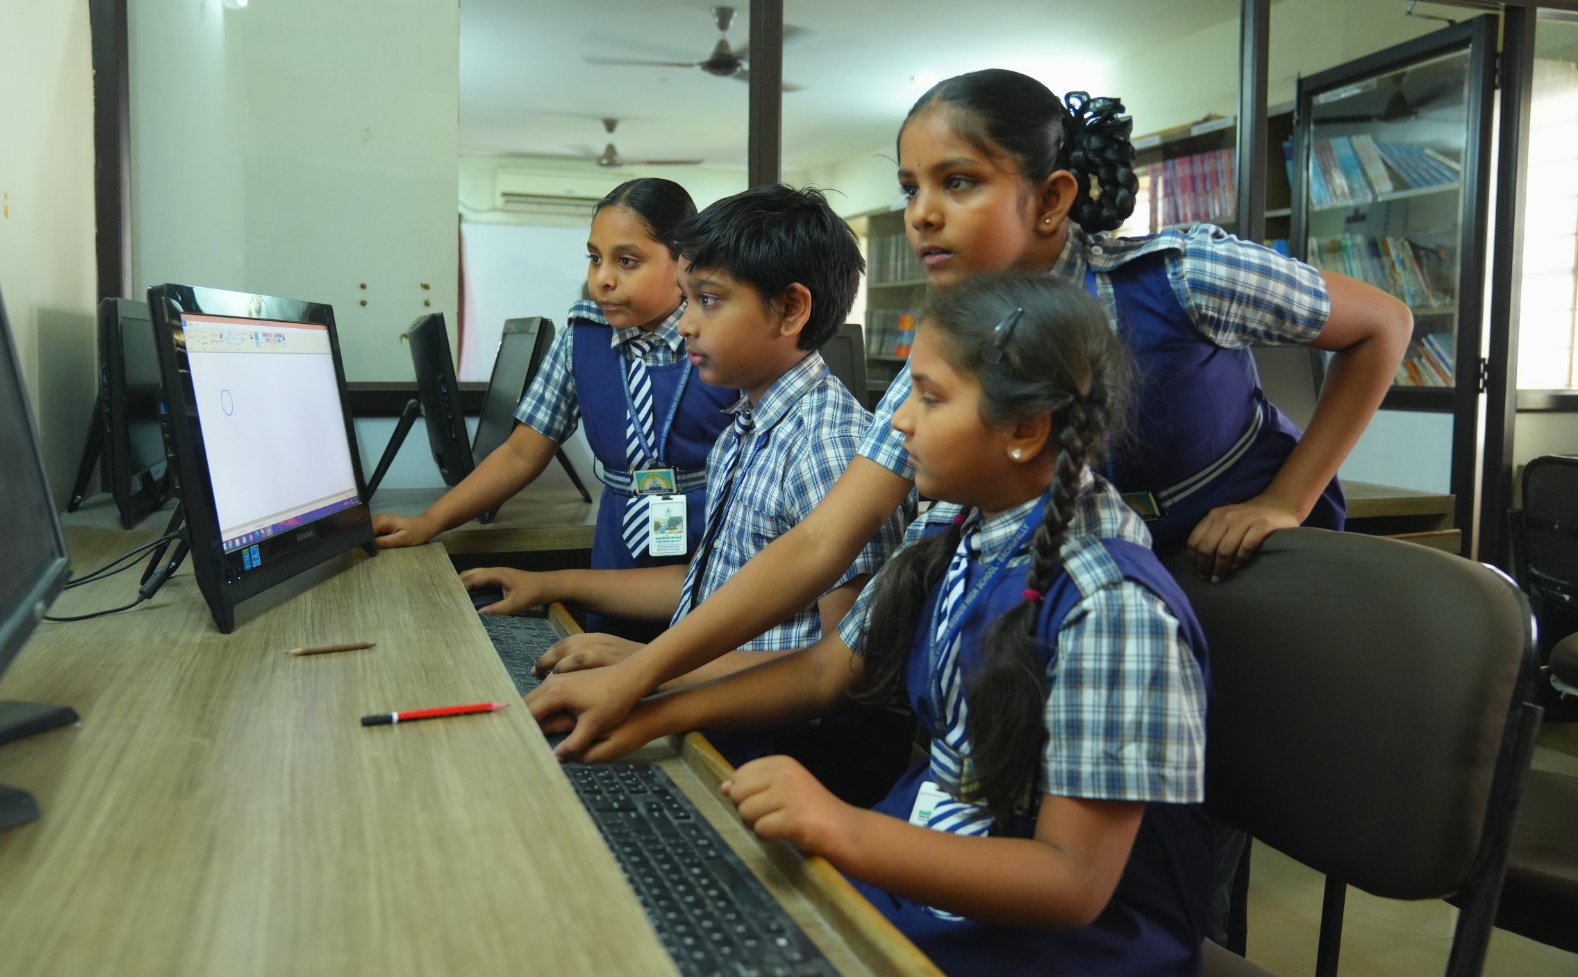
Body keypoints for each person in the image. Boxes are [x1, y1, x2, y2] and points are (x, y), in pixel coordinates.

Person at [525, 67, 1410, 755]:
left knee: (1213, 781)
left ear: (1053, 198)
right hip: (1087, 555)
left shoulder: (1179, 276)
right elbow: (822, 541)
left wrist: (1284, 501)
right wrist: (648, 671)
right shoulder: (950, 353)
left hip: (1233, 549)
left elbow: (1384, 325)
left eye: (958, 183)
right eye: (911, 188)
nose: (923, 215)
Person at [566, 272, 1212, 974]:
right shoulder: (959, 528)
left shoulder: (1110, 605)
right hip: (926, 863)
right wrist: (655, 712)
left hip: (1057, 944)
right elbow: (824, 668)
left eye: (929, 399)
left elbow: (1073, 883)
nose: (899, 420)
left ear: (1026, 429)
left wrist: (841, 827)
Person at [461, 185, 911, 800]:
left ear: (789, 311)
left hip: (786, 756)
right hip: (721, 720)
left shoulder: (830, 448)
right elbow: (709, 584)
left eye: (708, 300)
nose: (688, 323)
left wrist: (649, 677)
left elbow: (839, 671)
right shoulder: (746, 428)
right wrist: (555, 584)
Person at [371, 177, 738, 634]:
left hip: (714, 534)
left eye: (627, 261)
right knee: (608, 652)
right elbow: (523, 451)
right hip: (620, 533)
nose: (602, 278)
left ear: (685, 262)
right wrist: (430, 521)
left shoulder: (723, 337)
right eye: (595, 258)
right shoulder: (580, 339)